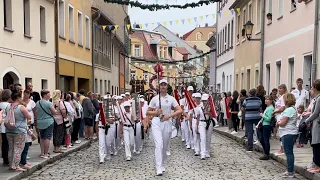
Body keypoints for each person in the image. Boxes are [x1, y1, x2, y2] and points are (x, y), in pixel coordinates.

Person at [147, 79, 182, 176]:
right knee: (159, 144)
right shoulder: (154, 98)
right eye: (161, 85)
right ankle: (158, 167)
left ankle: (162, 164)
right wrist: (156, 112)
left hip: (167, 122)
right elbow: (148, 112)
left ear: (167, 86)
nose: (163, 86)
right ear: (159, 86)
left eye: (164, 85)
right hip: (157, 121)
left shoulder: (171, 98)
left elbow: (179, 110)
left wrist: (169, 115)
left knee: (165, 146)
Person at [6, 89, 31, 171]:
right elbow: (29, 116)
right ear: (18, 98)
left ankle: (11, 164)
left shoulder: (8, 106)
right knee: (18, 148)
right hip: (19, 131)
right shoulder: (21, 107)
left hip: (9, 130)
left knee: (11, 148)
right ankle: (16, 166)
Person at [276, 93, 299, 178]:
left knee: (288, 153)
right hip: (289, 132)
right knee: (288, 152)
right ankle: (289, 170)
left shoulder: (289, 110)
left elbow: (283, 123)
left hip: (288, 133)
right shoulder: (292, 109)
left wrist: (278, 122)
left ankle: (290, 171)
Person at [303, 79, 320, 173]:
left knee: (317, 145)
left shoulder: (319, 98)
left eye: (312, 87)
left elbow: (315, 113)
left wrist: (306, 121)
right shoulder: (316, 98)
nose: (311, 89)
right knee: (315, 145)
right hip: (315, 124)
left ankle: (318, 166)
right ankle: (316, 165)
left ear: (316, 88)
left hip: (317, 125)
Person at [36, 90, 56, 159]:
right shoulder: (49, 103)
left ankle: (41, 152)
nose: (50, 95)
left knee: (42, 137)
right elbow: (54, 112)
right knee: (47, 137)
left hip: (40, 121)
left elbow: (36, 112)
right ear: (45, 95)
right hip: (48, 121)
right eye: (48, 94)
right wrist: (55, 110)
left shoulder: (38, 103)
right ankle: (45, 153)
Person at [257, 96, 275, 160]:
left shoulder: (270, 108)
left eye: (267, 99)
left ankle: (267, 154)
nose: (266, 101)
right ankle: (265, 152)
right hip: (263, 124)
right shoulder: (268, 107)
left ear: (271, 101)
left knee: (265, 140)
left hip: (267, 125)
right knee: (262, 139)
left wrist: (263, 115)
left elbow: (269, 118)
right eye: (265, 99)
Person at [273, 84, 287, 155]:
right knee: (280, 133)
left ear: (284, 89)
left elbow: (283, 107)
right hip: (278, 116)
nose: (279, 90)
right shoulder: (280, 97)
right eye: (279, 88)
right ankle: (281, 148)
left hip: (281, 116)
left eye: (281, 88)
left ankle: (282, 149)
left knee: (282, 133)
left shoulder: (284, 96)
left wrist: (275, 111)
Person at [0, 89, 11, 165]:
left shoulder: (0, 104)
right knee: (8, 143)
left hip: (1, 125)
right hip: (7, 125)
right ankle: (7, 158)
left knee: (4, 142)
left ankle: (4, 157)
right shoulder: (8, 105)